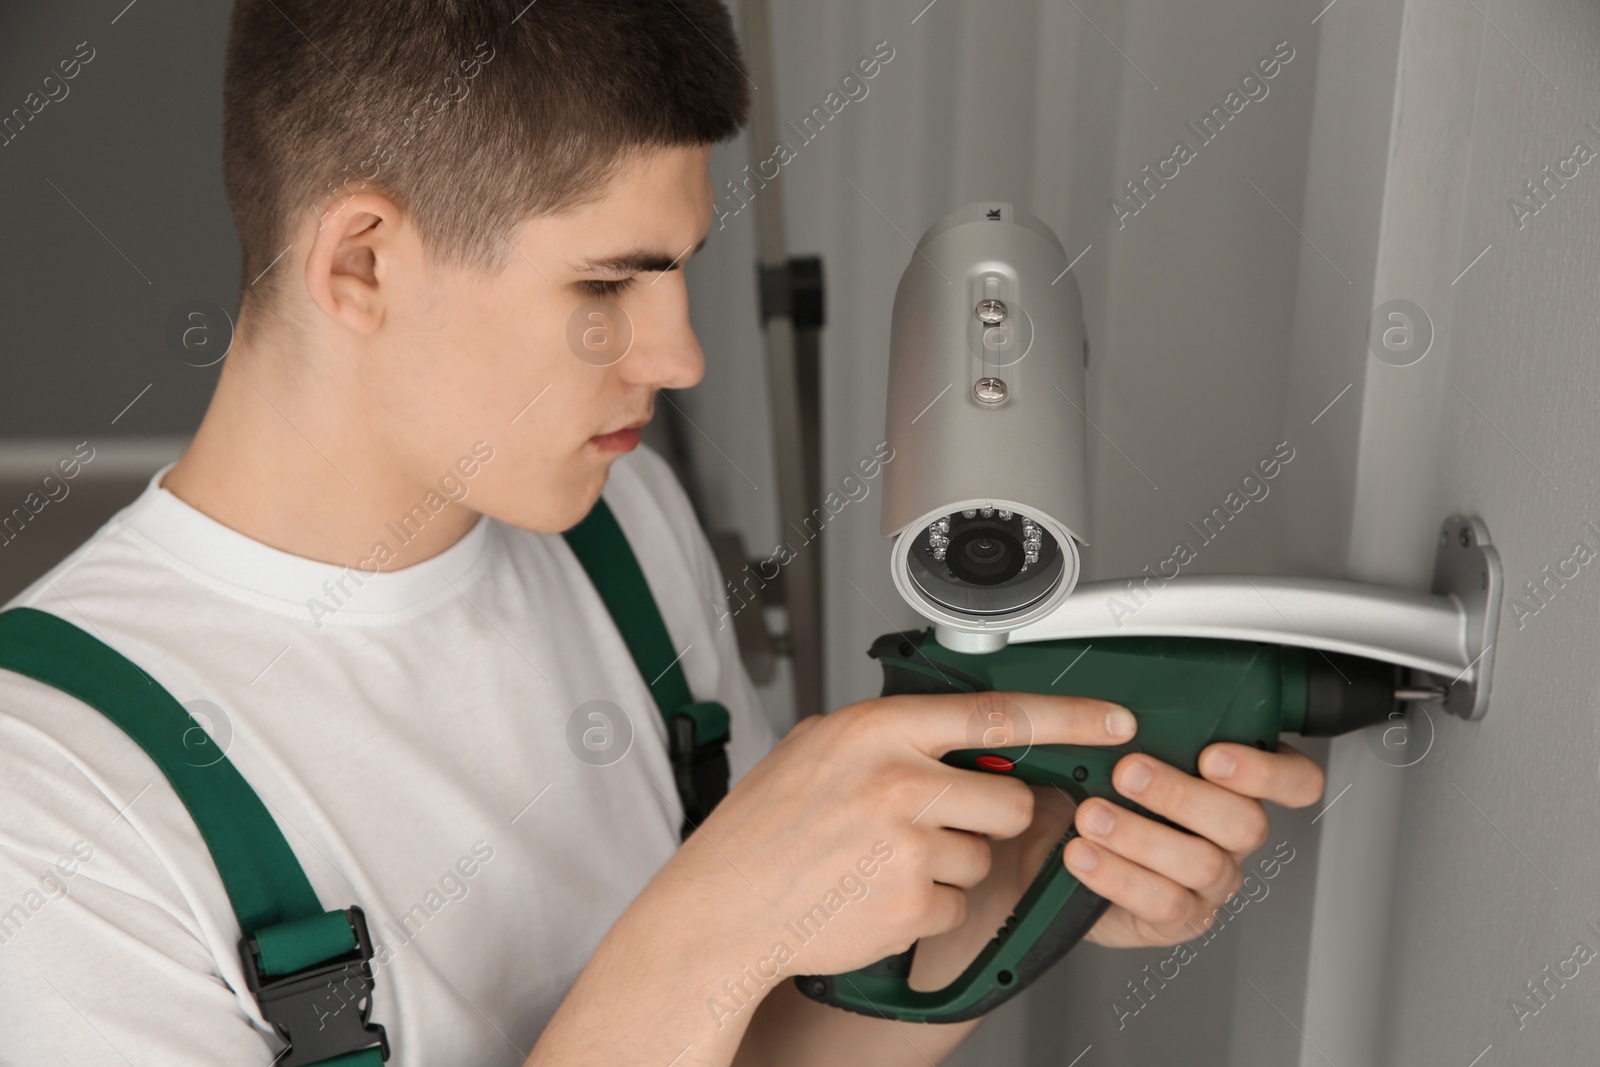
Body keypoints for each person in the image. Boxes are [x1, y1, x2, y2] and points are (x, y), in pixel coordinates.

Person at [0, 2, 1326, 1064]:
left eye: (680, 266)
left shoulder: (617, 519)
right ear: (360, 263)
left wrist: (1016, 889)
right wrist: (706, 925)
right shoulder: (52, 801)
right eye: (605, 285)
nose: (681, 357)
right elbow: (700, 972)